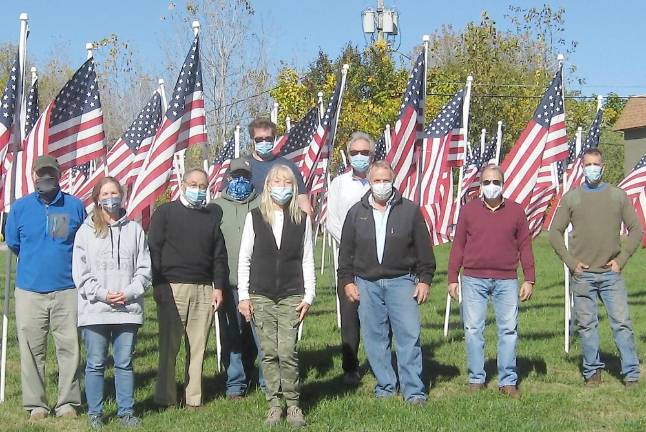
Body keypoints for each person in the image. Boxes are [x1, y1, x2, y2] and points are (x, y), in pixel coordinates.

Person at [337, 160, 435, 404]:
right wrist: (347, 280)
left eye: (386, 180)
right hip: (367, 284)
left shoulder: (410, 210)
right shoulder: (355, 213)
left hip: (402, 281)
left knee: (408, 336)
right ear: (369, 183)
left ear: (393, 181)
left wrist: (425, 279)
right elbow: (346, 252)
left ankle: (413, 391)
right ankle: (385, 386)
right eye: (377, 180)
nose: (381, 185)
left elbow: (425, 250)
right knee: (375, 338)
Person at [549, 148, 642, 388]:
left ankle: (631, 373)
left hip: (611, 275)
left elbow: (636, 230)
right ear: (582, 167)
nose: (592, 168)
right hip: (583, 276)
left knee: (621, 323)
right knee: (587, 326)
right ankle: (592, 372)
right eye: (588, 164)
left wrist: (621, 261)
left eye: (596, 164)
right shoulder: (572, 198)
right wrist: (571, 263)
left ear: (604, 167)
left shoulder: (617, 196)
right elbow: (555, 233)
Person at [5, 155, 85, 420]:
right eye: (42, 173)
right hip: (29, 290)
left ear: (59, 174)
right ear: (33, 175)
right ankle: (36, 404)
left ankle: (67, 403)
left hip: (67, 289)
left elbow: (83, 244)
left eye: (51, 173)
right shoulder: (20, 208)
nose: (46, 178)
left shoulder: (74, 206)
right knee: (31, 349)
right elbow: (14, 243)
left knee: (69, 348)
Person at [447, 164, 535, 398]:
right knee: (473, 329)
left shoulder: (516, 211)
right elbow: (458, 246)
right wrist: (452, 277)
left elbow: (525, 245)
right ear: (480, 185)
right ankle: (476, 378)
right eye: (486, 182)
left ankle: (507, 381)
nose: (491, 186)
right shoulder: (468, 211)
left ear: (503, 184)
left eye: (495, 182)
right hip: (473, 278)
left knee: (508, 330)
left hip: (506, 279)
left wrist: (530, 278)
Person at [238, 164, 315, 427]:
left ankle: (293, 405)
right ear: (268, 186)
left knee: (287, 350)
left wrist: (310, 296)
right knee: (269, 352)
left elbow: (307, 260)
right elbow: (244, 259)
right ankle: (274, 404)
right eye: (277, 181)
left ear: (294, 188)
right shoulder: (255, 217)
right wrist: (244, 296)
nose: (282, 186)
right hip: (261, 295)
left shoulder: (302, 219)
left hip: (292, 295)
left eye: (287, 182)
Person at [72, 177, 152, 428]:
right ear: (97, 198)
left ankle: (126, 412)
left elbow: (145, 269)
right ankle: (95, 413)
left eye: (114, 192)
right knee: (95, 363)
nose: (110, 197)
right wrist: (103, 294)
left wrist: (128, 293)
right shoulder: (85, 231)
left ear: (122, 196)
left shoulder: (135, 230)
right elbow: (81, 274)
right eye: (105, 193)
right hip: (95, 310)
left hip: (127, 310)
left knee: (124, 363)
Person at [148, 168, 228, 409]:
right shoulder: (165, 213)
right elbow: (154, 249)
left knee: (198, 347)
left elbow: (219, 256)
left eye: (203, 186)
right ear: (182, 185)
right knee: (169, 347)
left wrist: (218, 287)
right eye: (193, 184)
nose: (198, 190)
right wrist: (159, 284)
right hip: (173, 287)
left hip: (204, 288)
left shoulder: (211, 217)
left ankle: (193, 397)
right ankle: (165, 398)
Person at [213, 158, 263, 397]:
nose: (240, 180)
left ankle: (265, 381)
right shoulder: (216, 206)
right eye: (236, 176)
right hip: (229, 283)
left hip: (258, 284)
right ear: (228, 178)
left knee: (260, 336)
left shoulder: (263, 203)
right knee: (232, 335)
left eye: (245, 175)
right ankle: (235, 383)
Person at [326, 132, 373, 385]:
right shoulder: (339, 184)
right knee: (349, 315)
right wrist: (350, 244)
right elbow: (331, 219)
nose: (359, 157)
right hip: (349, 258)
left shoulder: (379, 181)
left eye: (364, 153)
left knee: (377, 316)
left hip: (377, 260)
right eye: (355, 152)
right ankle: (351, 367)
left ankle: (380, 363)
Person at [244, 118, 312, 217]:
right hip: (252, 223)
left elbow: (302, 199)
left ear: (274, 139)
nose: (264, 142)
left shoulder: (288, 166)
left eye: (268, 139)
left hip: (284, 224)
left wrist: (308, 227)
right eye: (259, 139)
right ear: (252, 140)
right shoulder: (242, 167)